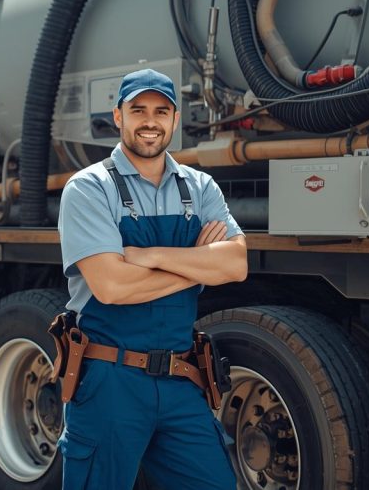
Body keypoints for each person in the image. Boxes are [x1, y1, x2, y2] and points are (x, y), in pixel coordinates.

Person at [56, 68, 246, 489]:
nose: (150, 121)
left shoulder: (199, 186)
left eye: (161, 111)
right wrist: (198, 265)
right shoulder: (89, 188)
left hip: (181, 380)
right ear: (118, 116)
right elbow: (113, 287)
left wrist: (153, 256)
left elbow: (235, 264)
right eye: (138, 109)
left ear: (175, 120)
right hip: (111, 380)